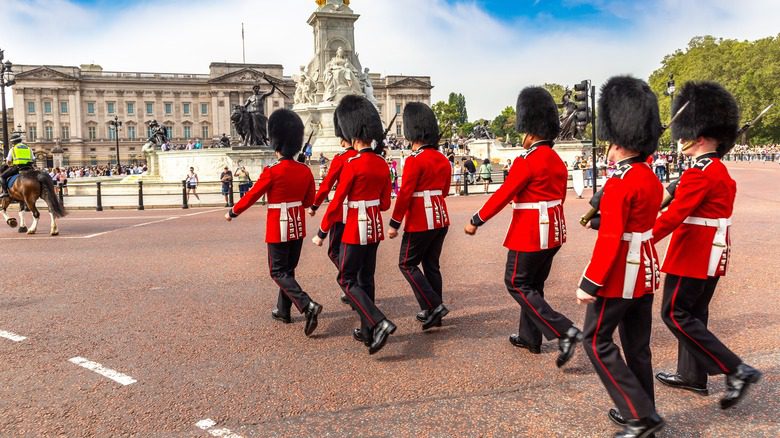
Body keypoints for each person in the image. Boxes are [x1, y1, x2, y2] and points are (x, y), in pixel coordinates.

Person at [653, 81, 762, 410]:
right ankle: (693, 376)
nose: (681, 140)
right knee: (695, 314)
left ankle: (735, 369)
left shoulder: (700, 174)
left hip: (692, 254)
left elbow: (672, 217)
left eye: (686, 135)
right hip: (711, 254)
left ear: (700, 137)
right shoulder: (718, 171)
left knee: (674, 313)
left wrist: (640, 239)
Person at [465, 87, 582, 368]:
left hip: (529, 232)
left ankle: (563, 330)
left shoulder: (526, 161)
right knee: (534, 285)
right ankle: (529, 337)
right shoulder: (558, 161)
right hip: (553, 232)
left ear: (529, 132)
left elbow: (503, 194)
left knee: (516, 282)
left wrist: (476, 220)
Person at [575, 76, 665, 438]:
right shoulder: (649, 177)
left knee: (595, 340)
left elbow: (613, 239)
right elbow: (633, 222)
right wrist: (602, 219)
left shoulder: (619, 182)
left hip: (619, 274)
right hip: (645, 269)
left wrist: (590, 283)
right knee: (638, 347)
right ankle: (645, 408)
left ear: (619, 142)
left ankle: (640, 415)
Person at [225, 109, 322, 337]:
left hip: (278, 228)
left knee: (278, 272)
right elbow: (309, 201)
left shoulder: (272, 171)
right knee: (288, 270)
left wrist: (233, 211)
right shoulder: (305, 171)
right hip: (298, 227)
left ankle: (307, 305)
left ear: (276, 143)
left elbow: (252, 195)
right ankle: (283, 310)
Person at [312, 95, 395, 355]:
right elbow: (384, 204)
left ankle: (378, 321)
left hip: (354, 228)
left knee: (346, 278)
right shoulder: (382, 164)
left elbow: (337, 202)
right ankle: (367, 330)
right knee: (366, 278)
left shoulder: (352, 164)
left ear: (352, 133)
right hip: (374, 227)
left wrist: (322, 232)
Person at [387, 102, 452, 329]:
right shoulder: (443, 159)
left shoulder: (414, 159)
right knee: (431, 265)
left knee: (407, 264)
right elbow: (444, 191)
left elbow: (405, 193)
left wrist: (395, 223)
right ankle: (435, 312)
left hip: (420, 221)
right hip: (440, 218)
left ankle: (434, 305)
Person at [309, 112, 358, 305]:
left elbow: (327, 185)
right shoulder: (363, 156)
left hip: (342, 212)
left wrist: (314, 205)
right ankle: (353, 286)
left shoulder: (341, 158)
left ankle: (351, 284)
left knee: (334, 251)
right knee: (354, 251)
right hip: (361, 213)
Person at [0, 133, 35, 199]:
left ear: (13, 142)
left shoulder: (13, 149)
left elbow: (9, 161)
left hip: (18, 168)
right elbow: (33, 158)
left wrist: (10, 164)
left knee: (2, 177)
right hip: (29, 168)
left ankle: (5, 192)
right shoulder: (28, 148)